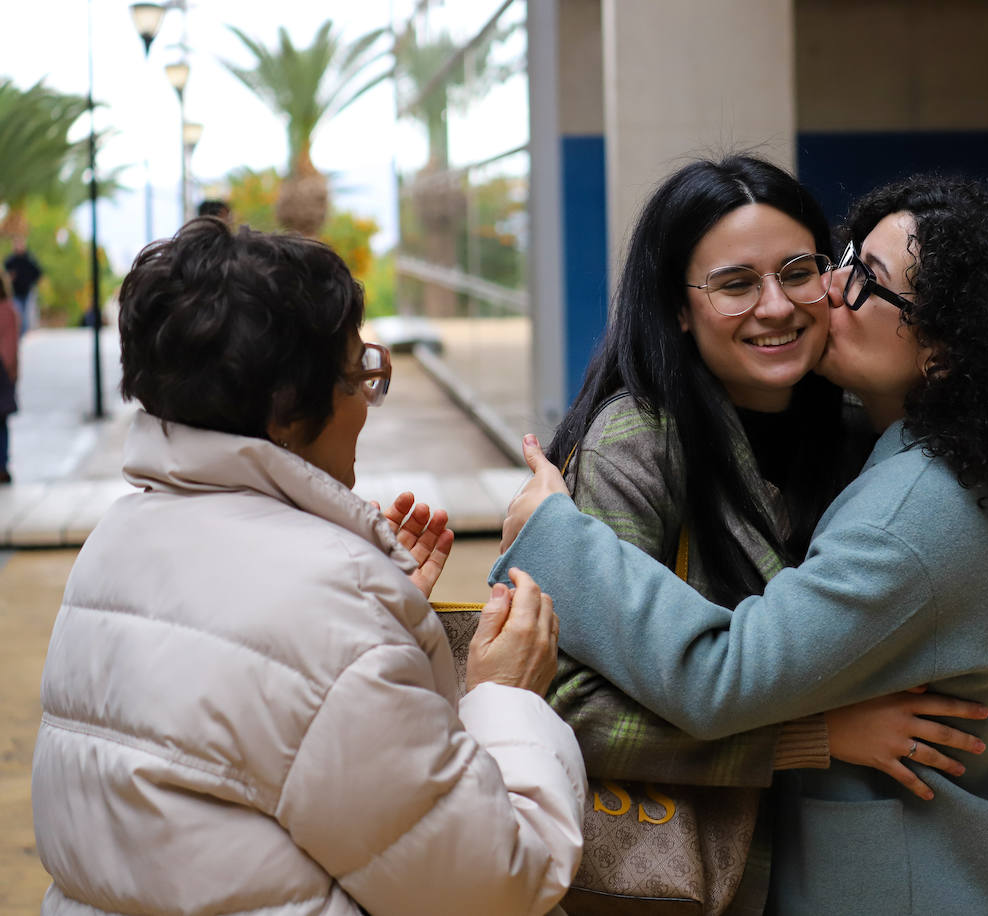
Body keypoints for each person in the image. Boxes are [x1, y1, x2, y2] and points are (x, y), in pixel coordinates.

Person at [497, 174, 988, 913]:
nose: (789, 303)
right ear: (677, 310)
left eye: (806, 270)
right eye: (733, 284)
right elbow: (570, 702)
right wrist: (811, 736)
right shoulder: (641, 447)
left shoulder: (885, 469)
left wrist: (551, 532)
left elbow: (728, 672)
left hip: (912, 872)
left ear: (946, 351)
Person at [31, 217, 586, 915]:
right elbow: (495, 887)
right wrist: (506, 695)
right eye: (361, 375)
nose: (366, 401)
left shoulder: (114, 540)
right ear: (288, 411)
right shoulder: (328, 606)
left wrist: (381, 635)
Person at [4, 236, 42, 334]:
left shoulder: (29, 259)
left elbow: (38, 272)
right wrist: (9, 278)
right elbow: (5, 275)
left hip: (27, 292)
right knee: (18, 313)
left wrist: (31, 281)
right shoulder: (10, 260)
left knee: (25, 316)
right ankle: (18, 336)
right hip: (15, 292)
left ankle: (22, 336)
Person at [0, 272, 17, 483]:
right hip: (3, 370)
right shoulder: (10, 310)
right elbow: (12, 347)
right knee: (2, 422)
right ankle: (2, 465)